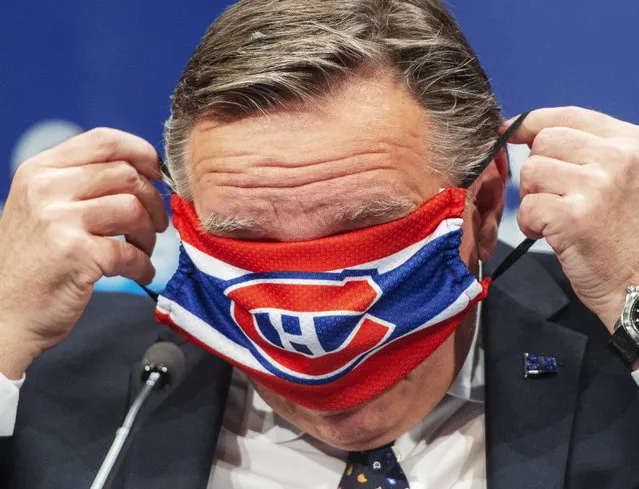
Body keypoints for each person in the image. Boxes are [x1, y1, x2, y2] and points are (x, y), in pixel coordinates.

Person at [2, 0, 639, 488]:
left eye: (361, 231)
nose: (314, 317)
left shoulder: (616, 347)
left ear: (485, 208)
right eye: (246, 239)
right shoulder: (48, 375)